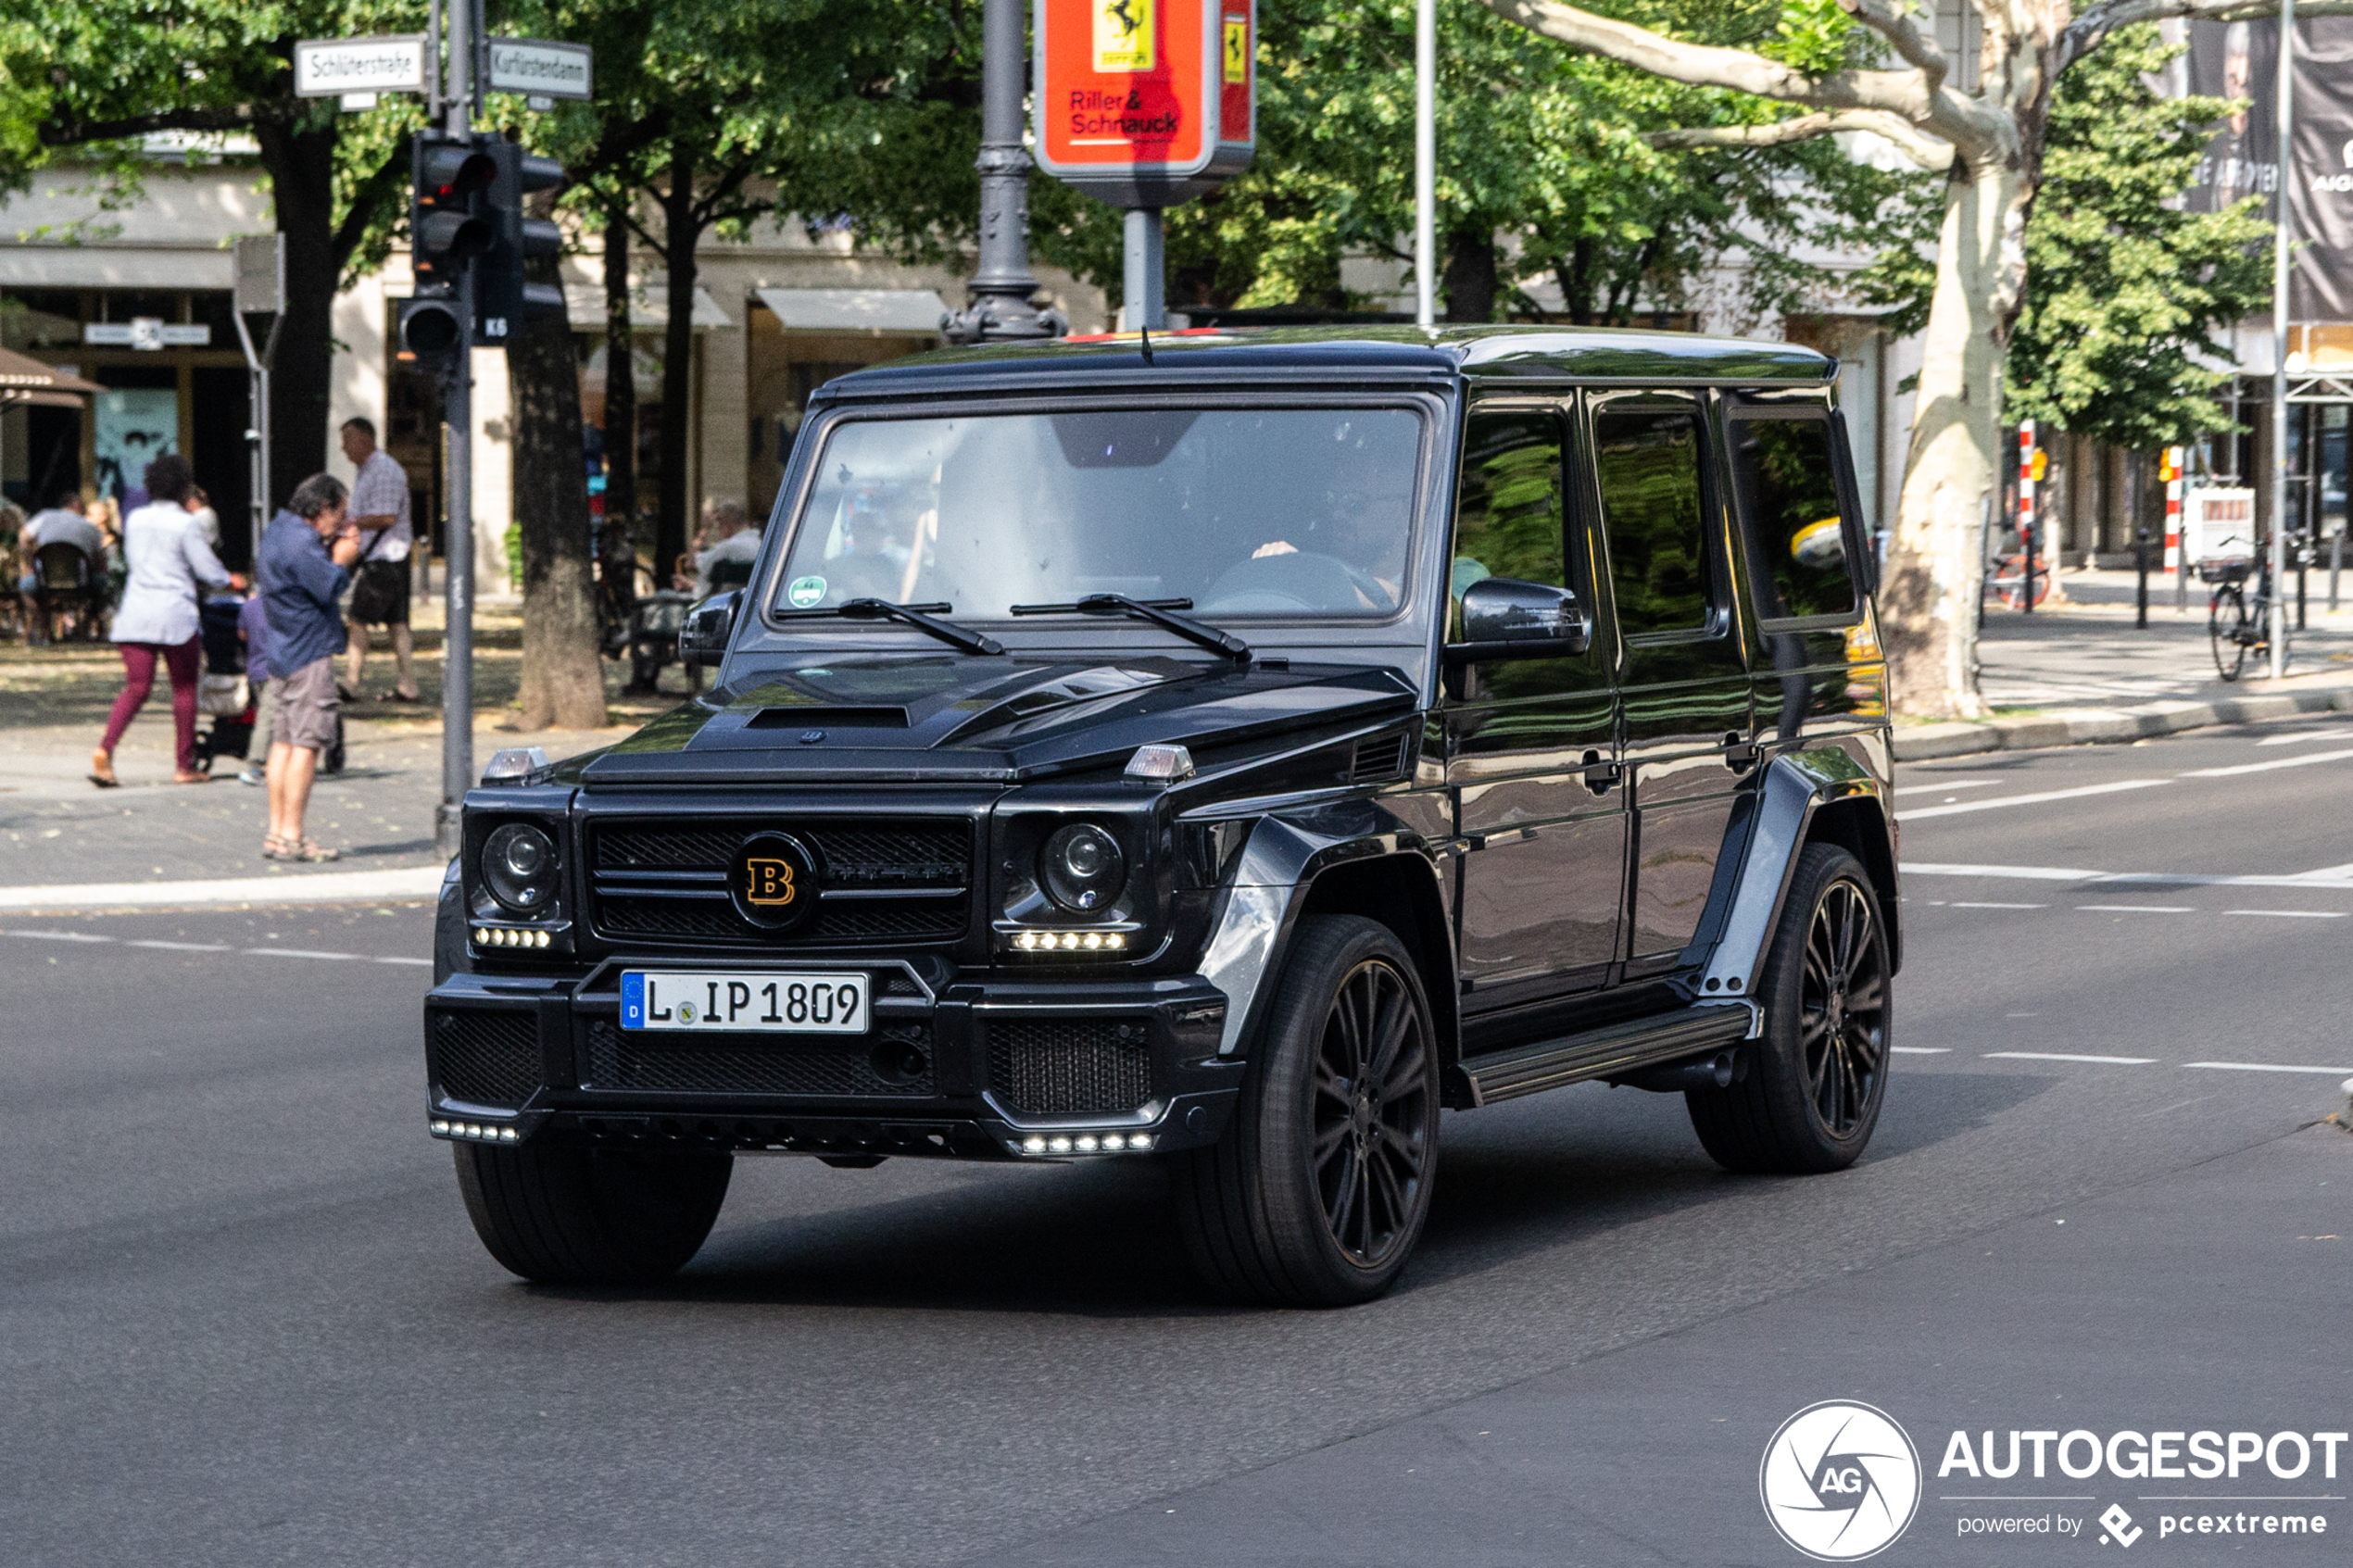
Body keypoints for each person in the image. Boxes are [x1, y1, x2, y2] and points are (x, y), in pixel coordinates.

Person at [91, 456, 236, 787]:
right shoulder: (187, 524)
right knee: (184, 690)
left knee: (136, 687)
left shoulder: (135, 519)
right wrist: (232, 580)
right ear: (184, 487)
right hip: (174, 614)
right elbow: (207, 570)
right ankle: (184, 766)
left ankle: (106, 748)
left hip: (136, 613)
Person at [258, 474, 360, 859]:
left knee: (282, 743)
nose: (343, 521)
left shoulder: (277, 531)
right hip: (309, 652)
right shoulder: (303, 543)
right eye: (340, 513)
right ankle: (293, 836)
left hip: (282, 650)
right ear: (322, 510)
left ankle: (276, 833)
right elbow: (328, 586)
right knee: (307, 744)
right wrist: (342, 558)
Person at [338, 417, 420, 702]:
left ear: (365, 439)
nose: (343, 448)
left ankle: (352, 681)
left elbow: (386, 516)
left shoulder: (383, 470)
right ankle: (408, 685)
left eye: (347, 440)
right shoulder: (368, 470)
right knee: (397, 624)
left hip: (385, 557)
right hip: (390, 557)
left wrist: (348, 524)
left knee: (358, 620)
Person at [17, 491, 103, 645]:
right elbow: (100, 559)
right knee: (102, 585)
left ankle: (45, 632)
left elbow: (23, 537)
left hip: (44, 580)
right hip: (81, 582)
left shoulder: (44, 517)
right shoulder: (88, 526)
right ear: (76, 505)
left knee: (25, 588)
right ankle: (83, 631)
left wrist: (31, 563)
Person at [674, 497, 761, 598]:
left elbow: (690, 563)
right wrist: (692, 584)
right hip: (740, 602)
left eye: (719, 523)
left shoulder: (726, 549)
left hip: (710, 603)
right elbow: (726, 586)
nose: (719, 528)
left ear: (727, 522)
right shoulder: (760, 545)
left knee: (663, 594)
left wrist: (704, 529)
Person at [236, 588, 274, 786]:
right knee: (268, 717)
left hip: (256, 669)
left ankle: (272, 760)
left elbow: (242, 634)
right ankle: (255, 763)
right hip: (276, 669)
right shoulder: (281, 605)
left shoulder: (249, 606)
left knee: (268, 713)